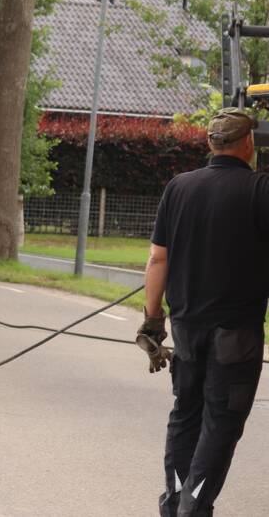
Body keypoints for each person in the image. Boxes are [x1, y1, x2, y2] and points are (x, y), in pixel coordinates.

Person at [140, 107, 269, 517]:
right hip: (237, 335)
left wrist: (152, 320)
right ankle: (193, 509)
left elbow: (158, 259)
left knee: (186, 413)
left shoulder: (178, 187)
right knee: (222, 422)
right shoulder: (260, 190)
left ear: (209, 142)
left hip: (187, 330)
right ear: (249, 144)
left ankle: (175, 501)